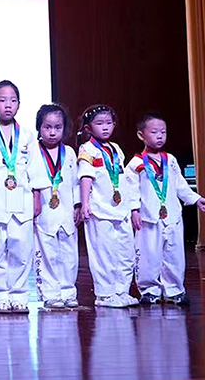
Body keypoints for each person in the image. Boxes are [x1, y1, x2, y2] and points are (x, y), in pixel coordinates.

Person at [0, 80, 45, 314]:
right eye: (2, 100)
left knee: (21, 249)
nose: (8, 105)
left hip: (22, 201)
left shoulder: (27, 135)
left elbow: (35, 169)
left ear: (19, 104)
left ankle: (19, 295)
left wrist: (36, 196)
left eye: (13, 100)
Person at [125, 111, 205, 305]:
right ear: (141, 135)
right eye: (154, 132)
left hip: (172, 216)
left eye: (163, 132)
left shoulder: (170, 160)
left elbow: (180, 185)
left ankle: (174, 290)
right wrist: (134, 210)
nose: (159, 136)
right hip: (148, 217)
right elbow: (131, 190)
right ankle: (149, 290)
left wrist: (195, 199)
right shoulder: (136, 164)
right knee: (148, 255)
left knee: (174, 255)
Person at [77, 104, 137, 308]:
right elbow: (85, 176)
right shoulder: (87, 149)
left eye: (109, 123)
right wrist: (85, 203)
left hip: (121, 210)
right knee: (104, 253)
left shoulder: (116, 149)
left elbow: (122, 178)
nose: (105, 127)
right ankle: (105, 293)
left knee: (125, 252)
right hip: (100, 210)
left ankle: (122, 290)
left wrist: (132, 206)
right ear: (88, 128)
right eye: (99, 123)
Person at [31, 104, 80, 309]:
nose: (52, 132)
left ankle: (68, 291)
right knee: (46, 253)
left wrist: (78, 205)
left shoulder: (69, 153)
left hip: (67, 210)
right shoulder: (32, 151)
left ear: (64, 128)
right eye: (47, 127)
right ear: (39, 127)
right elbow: (30, 180)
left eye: (57, 127)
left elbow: (76, 182)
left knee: (69, 254)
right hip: (44, 211)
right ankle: (50, 293)